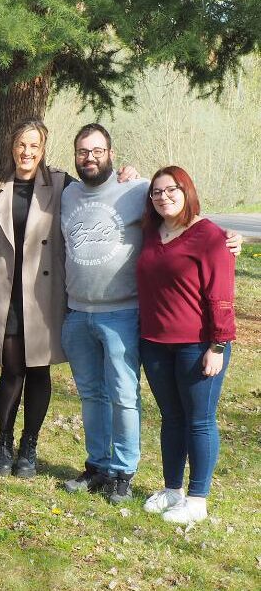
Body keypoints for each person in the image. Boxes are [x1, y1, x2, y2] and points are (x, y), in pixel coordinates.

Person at [60, 124, 240, 504]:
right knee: (92, 395)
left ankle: (125, 472)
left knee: (125, 396)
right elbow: (174, 225)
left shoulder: (136, 189)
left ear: (111, 153)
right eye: (82, 151)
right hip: (79, 313)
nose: (89, 157)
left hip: (123, 315)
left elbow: (194, 223)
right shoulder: (67, 193)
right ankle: (98, 465)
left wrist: (231, 238)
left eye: (97, 150)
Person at [137, 166, 235, 524]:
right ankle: (172, 489)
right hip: (154, 343)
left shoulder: (209, 235)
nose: (164, 197)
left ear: (187, 190)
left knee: (200, 420)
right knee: (171, 418)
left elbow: (221, 294)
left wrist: (218, 345)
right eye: (157, 192)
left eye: (172, 189)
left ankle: (197, 499)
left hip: (198, 346)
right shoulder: (150, 232)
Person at [0, 120, 69, 478]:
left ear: (43, 148)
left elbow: (101, 196)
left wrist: (130, 178)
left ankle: (28, 447)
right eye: (21, 144)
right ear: (12, 146)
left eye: (34, 145)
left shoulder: (61, 184)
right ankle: (3, 442)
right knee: (12, 368)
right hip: (6, 291)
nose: (27, 152)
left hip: (42, 294)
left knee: (39, 370)